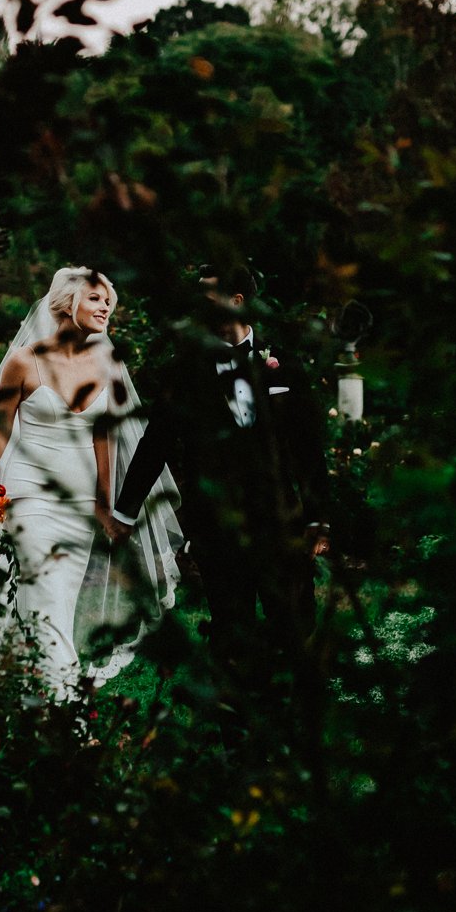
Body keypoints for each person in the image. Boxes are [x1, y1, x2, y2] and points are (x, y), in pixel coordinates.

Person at [0, 266, 184, 694]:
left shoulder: (106, 363)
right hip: (29, 501)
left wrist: (103, 505)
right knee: (45, 600)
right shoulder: (25, 361)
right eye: (96, 299)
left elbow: (106, 439)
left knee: (54, 605)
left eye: (109, 303)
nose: (106, 308)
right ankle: (67, 713)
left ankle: (21, 698)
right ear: (67, 302)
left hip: (79, 507)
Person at [112, 266, 328, 685]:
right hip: (216, 525)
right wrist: (124, 512)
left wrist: (320, 518)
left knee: (295, 623)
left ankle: (296, 711)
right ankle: (236, 723)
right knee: (230, 630)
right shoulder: (185, 370)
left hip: (280, 521)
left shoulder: (282, 363)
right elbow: (156, 443)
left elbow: (308, 447)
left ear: (237, 301)